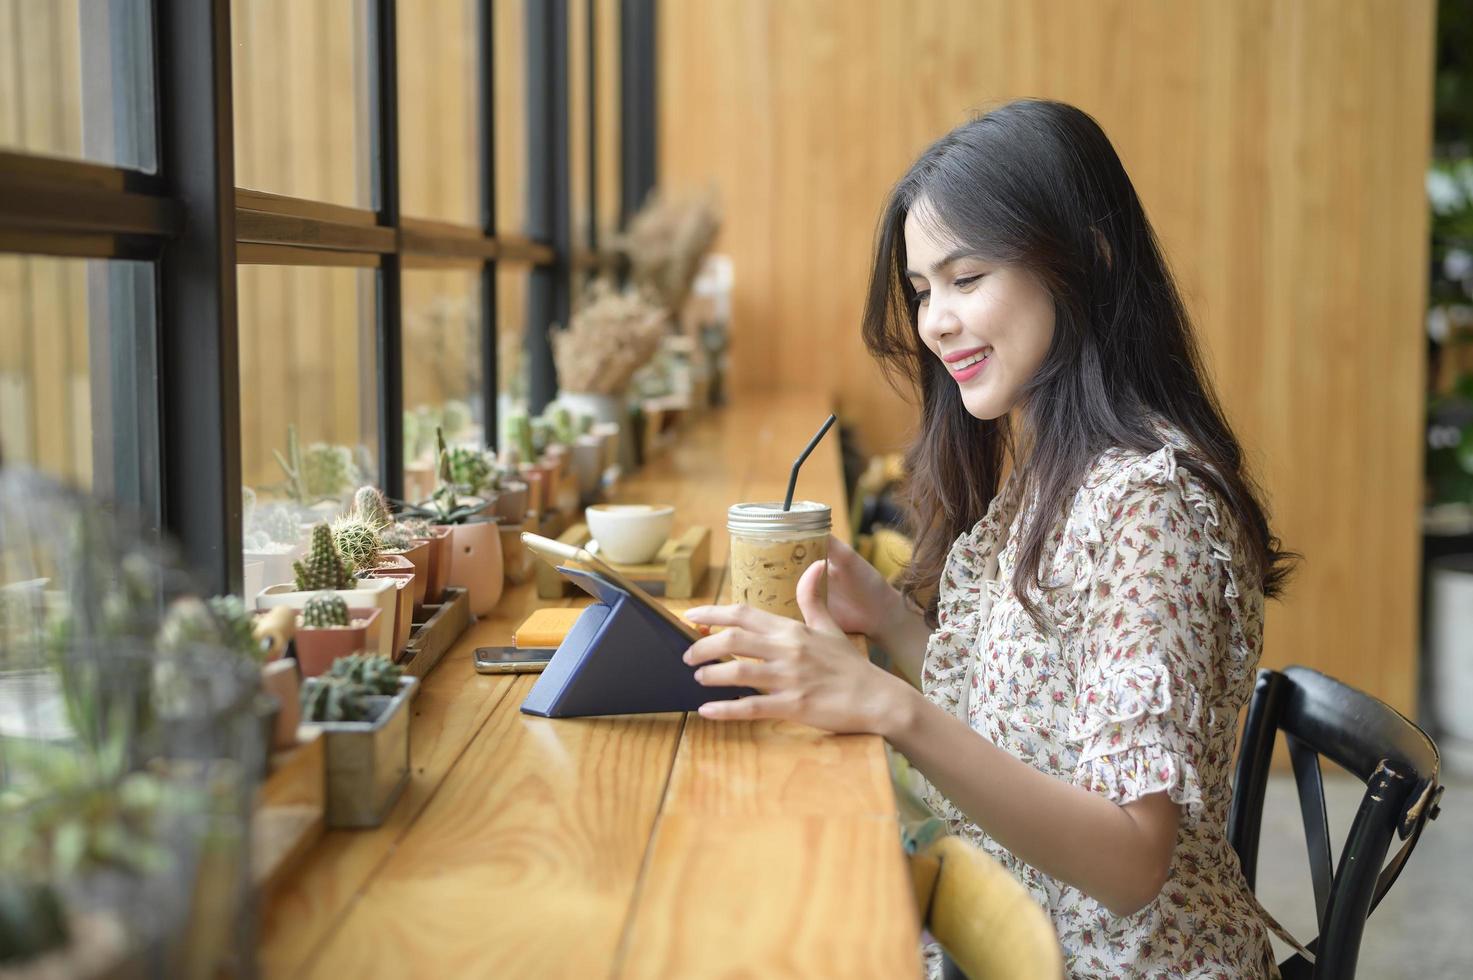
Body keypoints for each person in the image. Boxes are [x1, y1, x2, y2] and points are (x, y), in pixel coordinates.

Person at [683, 99, 1295, 978]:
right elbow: (1032, 727)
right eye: (924, 290)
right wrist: (890, 619)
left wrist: (886, 703)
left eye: (966, 279)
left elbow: (1130, 863)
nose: (933, 323)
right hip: (1009, 942)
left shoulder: (1149, 508)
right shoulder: (1059, 470)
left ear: (1087, 257)